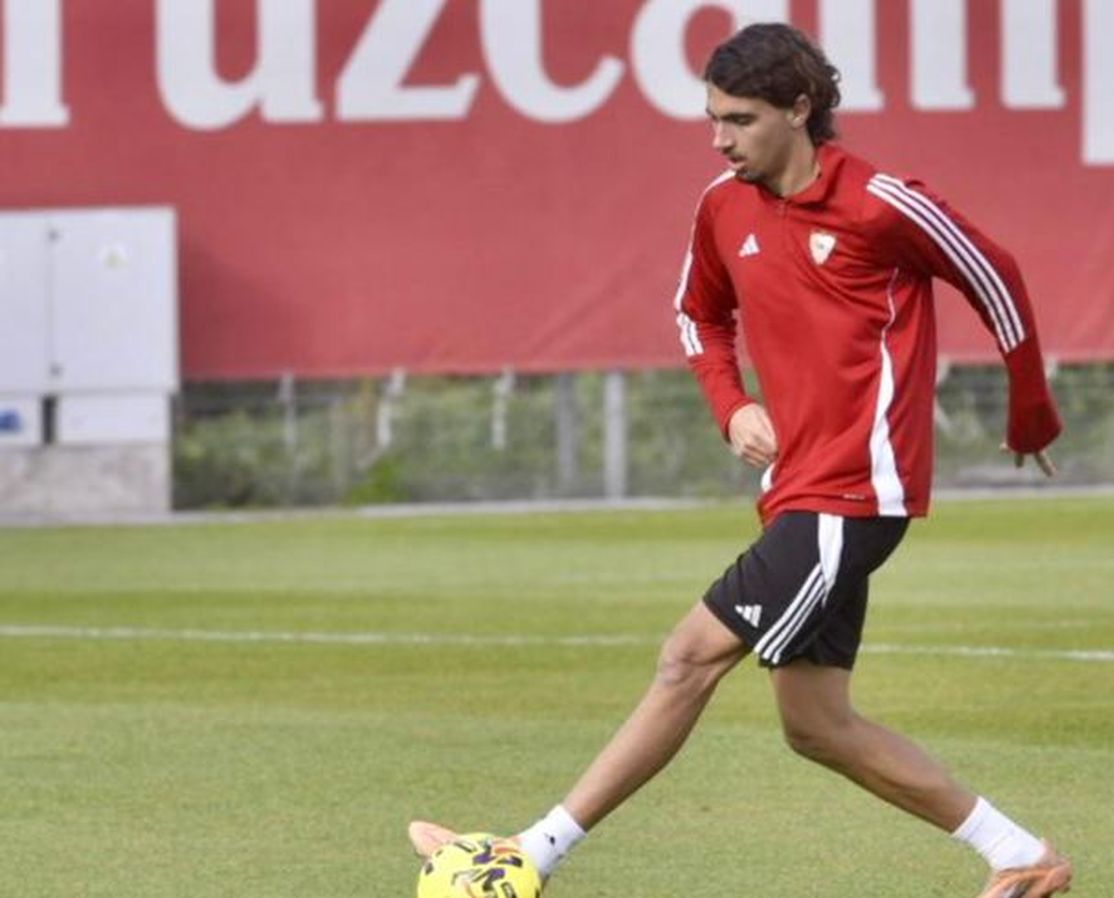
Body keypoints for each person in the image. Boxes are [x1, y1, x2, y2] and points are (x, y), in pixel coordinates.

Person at [410, 22, 1072, 898]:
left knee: (688, 658)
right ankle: (1020, 855)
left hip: (854, 495)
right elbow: (698, 315)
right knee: (817, 725)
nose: (721, 139)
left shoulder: (881, 203)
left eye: (741, 120)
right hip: (797, 492)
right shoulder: (724, 205)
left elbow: (995, 273)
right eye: (713, 119)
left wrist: (1030, 413)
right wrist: (732, 407)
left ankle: (528, 854)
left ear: (800, 109)